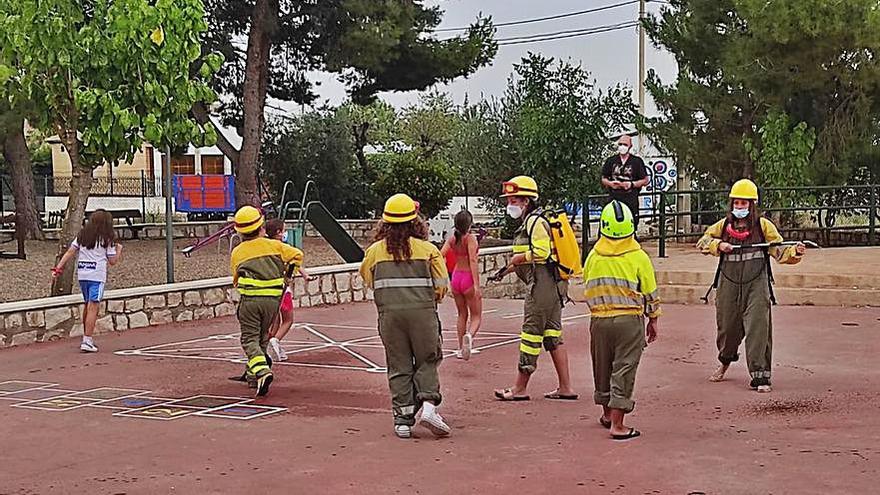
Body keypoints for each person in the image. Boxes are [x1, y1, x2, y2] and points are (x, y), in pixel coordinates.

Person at [697, 179, 806, 393]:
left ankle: (761, 376)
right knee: (727, 328)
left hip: (757, 285)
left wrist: (795, 252)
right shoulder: (723, 225)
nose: (740, 208)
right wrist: (718, 245)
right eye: (736, 204)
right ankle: (725, 362)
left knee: (759, 328)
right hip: (728, 285)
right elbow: (702, 241)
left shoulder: (764, 226)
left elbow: (779, 250)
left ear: (752, 205)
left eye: (744, 204)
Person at [359, 193, 451, 439]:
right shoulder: (428, 250)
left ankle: (402, 420)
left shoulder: (374, 252)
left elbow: (368, 279)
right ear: (415, 221)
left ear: (385, 223)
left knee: (398, 365)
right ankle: (430, 407)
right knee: (427, 359)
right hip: (422, 311)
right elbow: (441, 286)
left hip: (389, 315)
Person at [491, 175, 578, 402]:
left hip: (541, 287)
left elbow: (541, 253)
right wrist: (505, 270)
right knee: (552, 336)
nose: (510, 204)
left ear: (526, 201)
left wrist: (519, 257)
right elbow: (531, 259)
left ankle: (520, 388)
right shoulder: (533, 221)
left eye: (513, 200)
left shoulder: (535, 223)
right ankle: (565, 387)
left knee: (530, 335)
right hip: (553, 286)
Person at [583, 201, 660, 441]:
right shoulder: (638, 256)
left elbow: (586, 283)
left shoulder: (593, 256)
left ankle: (607, 414)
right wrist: (653, 318)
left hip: (599, 320)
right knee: (624, 367)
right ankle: (618, 424)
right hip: (628, 319)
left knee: (602, 365)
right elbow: (650, 290)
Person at [230, 206, 303, 396]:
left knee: (249, 339)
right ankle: (252, 375)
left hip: (251, 301)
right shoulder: (275, 246)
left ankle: (262, 371)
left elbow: (236, 279)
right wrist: (288, 274)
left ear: (239, 231)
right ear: (261, 227)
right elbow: (297, 255)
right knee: (263, 336)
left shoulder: (238, 252)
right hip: (273, 301)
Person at [52, 209, 123, 353]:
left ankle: (87, 337)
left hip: (83, 274)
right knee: (93, 306)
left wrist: (58, 268)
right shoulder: (106, 239)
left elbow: (70, 252)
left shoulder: (82, 235)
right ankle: (87, 339)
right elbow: (113, 261)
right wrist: (119, 250)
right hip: (97, 275)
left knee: (87, 305)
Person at [263, 218, 312, 362]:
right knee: (288, 319)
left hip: (269, 289)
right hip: (282, 288)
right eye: (284, 230)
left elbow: (295, 263)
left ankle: (269, 347)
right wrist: (303, 275)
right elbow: (296, 259)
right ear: (278, 232)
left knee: (275, 321)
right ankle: (275, 341)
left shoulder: (266, 247)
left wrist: (304, 274)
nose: (285, 233)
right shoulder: (282, 248)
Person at [439, 210, 482, 360]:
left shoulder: (452, 239)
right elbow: (473, 261)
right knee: (476, 315)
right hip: (468, 277)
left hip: (456, 278)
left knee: (461, 314)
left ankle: (459, 348)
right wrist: (476, 285)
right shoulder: (470, 239)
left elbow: (440, 255)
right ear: (469, 224)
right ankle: (469, 336)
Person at [601, 134, 649, 231]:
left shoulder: (636, 161)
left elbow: (645, 180)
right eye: (620, 144)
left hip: (630, 198)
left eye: (625, 144)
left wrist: (631, 184)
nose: (622, 147)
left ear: (630, 146)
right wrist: (611, 184)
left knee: (631, 225)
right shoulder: (611, 161)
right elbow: (603, 178)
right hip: (613, 198)